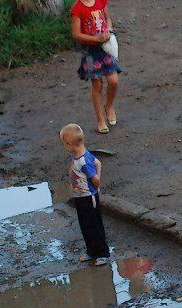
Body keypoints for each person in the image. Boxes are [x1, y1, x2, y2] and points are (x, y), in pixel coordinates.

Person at [61, 123, 110, 266]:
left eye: (64, 144)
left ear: (69, 144)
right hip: (81, 196)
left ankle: (102, 252)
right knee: (85, 224)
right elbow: (98, 163)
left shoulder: (82, 161)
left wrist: (96, 187)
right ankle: (92, 250)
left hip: (88, 197)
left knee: (93, 224)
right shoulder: (83, 155)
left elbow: (94, 176)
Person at [70, 0, 121, 135]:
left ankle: (109, 105)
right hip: (90, 50)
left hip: (105, 46)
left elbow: (107, 18)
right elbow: (76, 34)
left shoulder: (100, 1)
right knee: (97, 84)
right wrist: (96, 39)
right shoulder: (77, 9)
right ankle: (100, 120)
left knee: (113, 80)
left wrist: (108, 30)